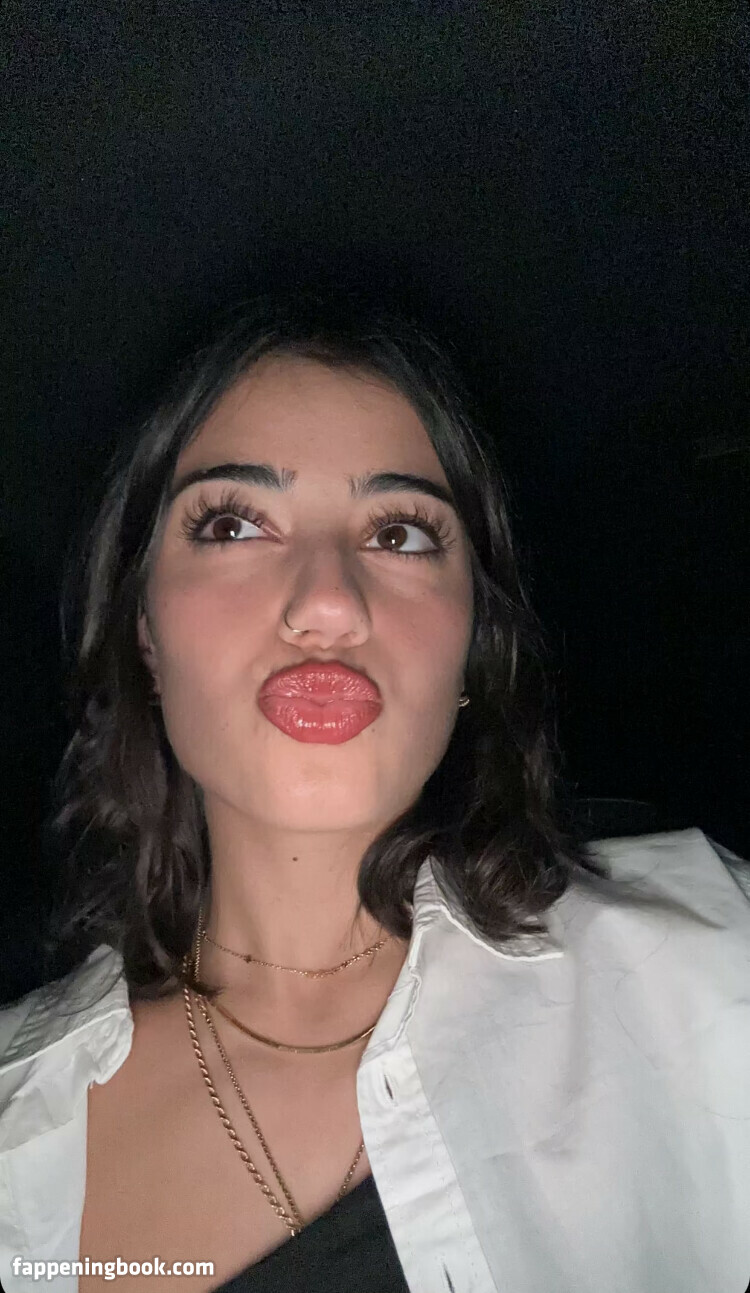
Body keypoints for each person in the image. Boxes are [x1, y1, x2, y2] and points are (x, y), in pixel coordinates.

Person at [0, 290, 749, 1293]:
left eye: (398, 534)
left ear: (472, 642)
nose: (326, 602)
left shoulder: (710, 974)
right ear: (145, 630)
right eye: (233, 523)